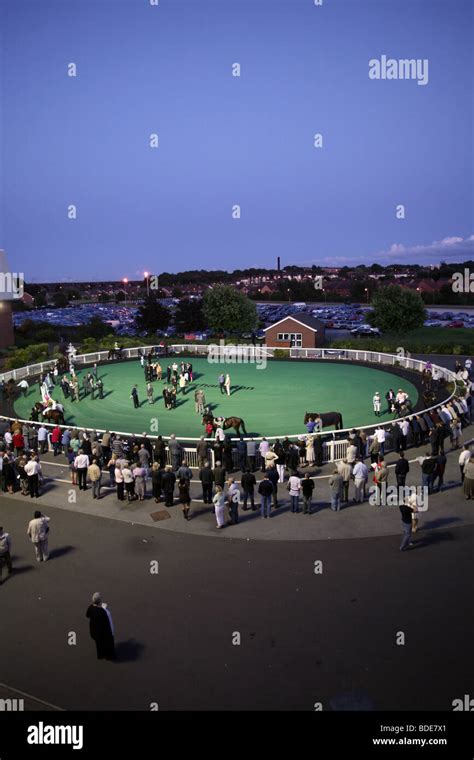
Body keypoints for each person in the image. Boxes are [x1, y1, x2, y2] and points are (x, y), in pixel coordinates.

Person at [86, 592, 116, 661]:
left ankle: (100, 655)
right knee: (107, 644)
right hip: (103, 632)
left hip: (94, 631)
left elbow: (87, 615)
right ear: (99, 601)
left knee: (98, 644)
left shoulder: (91, 608)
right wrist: (105, 609)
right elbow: (108, 622)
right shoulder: (102, 612)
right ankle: (109, 657)